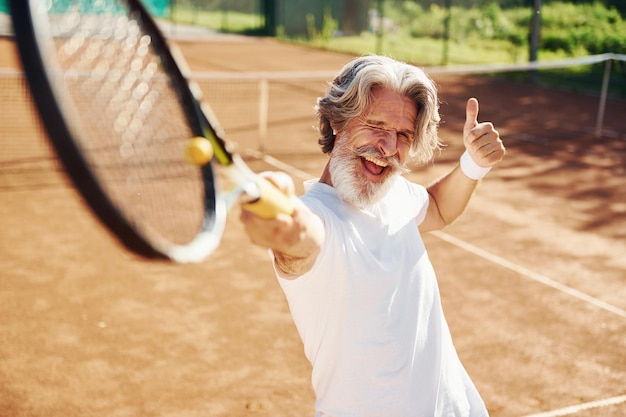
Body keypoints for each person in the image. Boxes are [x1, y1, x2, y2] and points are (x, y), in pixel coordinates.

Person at [240, 55, 505, 417]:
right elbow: (300, 236)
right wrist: (281, 219)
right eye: (376, 125)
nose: (388, 147)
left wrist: (473, 164)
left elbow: (438, 207)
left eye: (403, 135)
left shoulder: (393, 194)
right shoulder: (320, 218)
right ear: (337, 121)